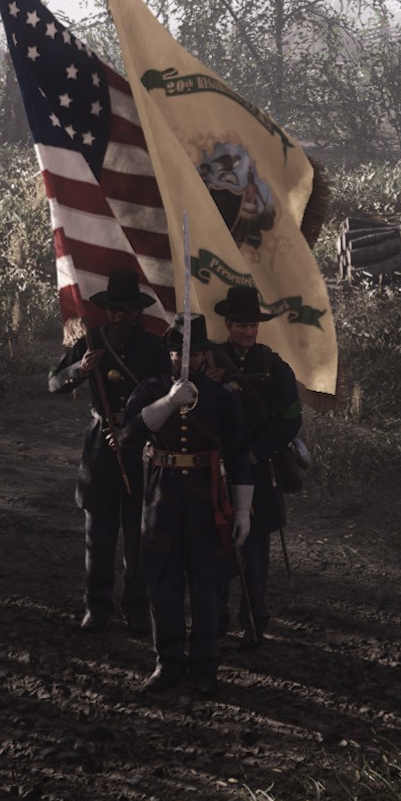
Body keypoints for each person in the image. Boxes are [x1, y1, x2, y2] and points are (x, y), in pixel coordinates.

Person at [120, 314, 253, 697]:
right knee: (163, 584)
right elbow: (128, 437)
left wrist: (243, 511)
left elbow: (240, 457)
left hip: (207, 499)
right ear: (170, 353)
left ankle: (206, 664)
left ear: (203, 357)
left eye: (194, 354)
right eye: (180, 351)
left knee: (208, 586)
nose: (186, 359)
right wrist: (166, 403)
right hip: (161, 500)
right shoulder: (149, 391)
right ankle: (168, 662)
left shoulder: (223, 399)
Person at [47, 269, 172, 634]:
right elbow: (54, 381)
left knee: (138, 533)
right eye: (112, 310)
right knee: (99, 533)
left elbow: (164, 393)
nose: (117, 316)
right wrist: (80, 369)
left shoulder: (152, 347)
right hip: (101, 445)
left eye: (124, 311)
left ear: (135, 312)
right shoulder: (91, 340)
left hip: (138, 447)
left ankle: (135, 608)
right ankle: (96, 606)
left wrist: (134, 430)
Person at [208, 285, 301, 644]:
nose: (247, 332)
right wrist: (207, 384)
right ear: (228, 324)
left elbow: (290, 419)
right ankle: (216, 617)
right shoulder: (210, 361)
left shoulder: (274, 366)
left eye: (252, 326)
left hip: (258, 468)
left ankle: (255, 622)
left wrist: (256, 453)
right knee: (217, 543)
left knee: (256, 549)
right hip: (216, 468)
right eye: (240, 325)